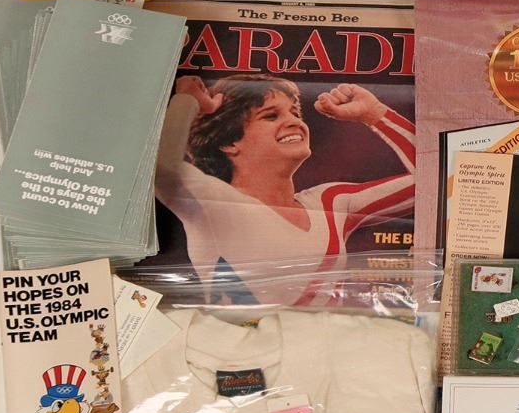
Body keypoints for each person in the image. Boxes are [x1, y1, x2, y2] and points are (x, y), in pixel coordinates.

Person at [154, 75, 415, 303]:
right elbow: (161, 168)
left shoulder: (330, 202)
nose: (294, 121)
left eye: (294, 113)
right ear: (229, 141)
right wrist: (187, 100)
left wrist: (375, 114)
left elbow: (429, 184)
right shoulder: (216, 204)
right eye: (271, 115)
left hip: (324, 341)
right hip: (243, 345)